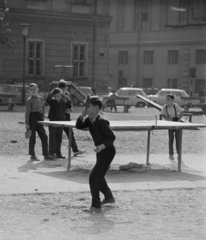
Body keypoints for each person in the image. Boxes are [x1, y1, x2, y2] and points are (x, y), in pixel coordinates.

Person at [76, 96, 116, 213]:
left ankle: (96, 206)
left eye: (89, 106)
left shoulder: (102, 121)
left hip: (107, 151)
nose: (86, 108)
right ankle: (109, 197)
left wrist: (103, 146)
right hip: (100, 151)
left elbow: (112, 136)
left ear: (96, 108)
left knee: (93, 177)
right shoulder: (89, 119)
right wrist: (82, 115)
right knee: (99, 175)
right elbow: (79, 126)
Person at [25, 83, 54, 161]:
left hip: (39, 117)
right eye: (31, 90)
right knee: (32, 137)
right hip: (32, 117)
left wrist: (43, 116)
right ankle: (32, 155)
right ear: (29, 91)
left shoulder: (41, 98)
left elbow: (43, 108)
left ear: (37, 89)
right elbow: (27, 112)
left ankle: (46, 154)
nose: (33, 91)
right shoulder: (29, 100)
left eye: (34, 89)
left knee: (44, 136)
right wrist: (27, 124)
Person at [58, 80, 85, 156]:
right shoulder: (57, 95)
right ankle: (57, 153)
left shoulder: (68, 95)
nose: (63, 89)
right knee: (59, 136)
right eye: (62, 88)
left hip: (67, 118)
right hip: (60, 119)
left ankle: (75, 150)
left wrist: (71, 109)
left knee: (71, 134)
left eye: (64, 87)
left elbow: (71, 105)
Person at [161, 94, 183, 163]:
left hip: (177, 124)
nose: (167, 100)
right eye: (166, 99)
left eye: (168, 99)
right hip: (170, 124)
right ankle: (171, 154)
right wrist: (168, 120)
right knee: (171, 139)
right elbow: (163, 115)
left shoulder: (175, 105)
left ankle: (179, 154)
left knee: (178, 139)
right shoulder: (164, 107)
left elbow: (181, 112)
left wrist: (178, 121)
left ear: (172, 100)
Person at [46, 88, 67, 159]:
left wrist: (63, 94)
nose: (58, 97)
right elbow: (48, 99)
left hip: (61, 121)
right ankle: (52, 153)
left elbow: (67, 106)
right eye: (56, 95)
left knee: (59, 138)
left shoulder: (63, 102)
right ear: (54, 96)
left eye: (59, 95)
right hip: (53, 120)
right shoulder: (52, 101)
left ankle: (58, 153)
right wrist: (52, 92)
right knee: (52, 138)